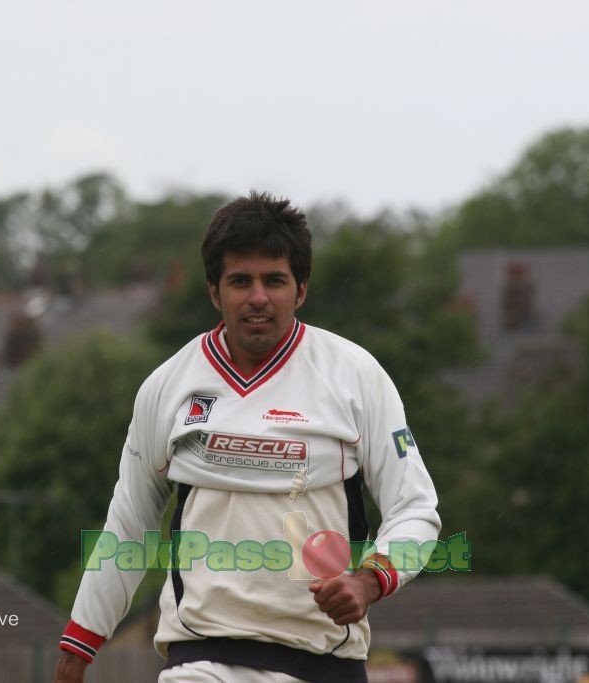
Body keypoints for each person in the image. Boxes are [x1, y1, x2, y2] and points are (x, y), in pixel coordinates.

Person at [55, 192, 440, 683]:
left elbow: (415, 509)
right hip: (199, 661)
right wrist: (78, 649)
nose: (258, 297)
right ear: (215, 291)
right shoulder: (168, 386)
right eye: (240, 281)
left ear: (300, 290)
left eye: (274, 280)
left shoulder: (355, 377)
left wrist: (370, 580)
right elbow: (130, 525)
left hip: (320, 663)